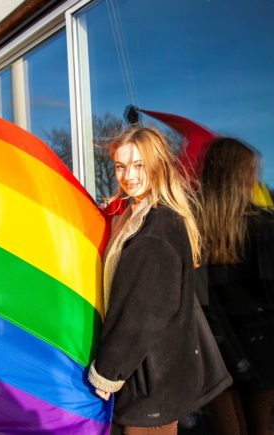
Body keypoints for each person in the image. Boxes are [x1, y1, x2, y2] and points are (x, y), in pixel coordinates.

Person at [87, 127, 231, 434]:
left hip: (150, 381)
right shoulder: (137, 215)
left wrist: (108, 372)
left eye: (138, 165)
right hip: (150, 375)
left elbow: (142, 312)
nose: (128, 176)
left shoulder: (156, 227)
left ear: (158, 166)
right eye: (120, 166)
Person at [197, 137, 274, 435]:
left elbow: (197, 297)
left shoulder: (193, 227)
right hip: (262, 347)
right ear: (241, 176)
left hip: (214, 349)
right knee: (261, 426)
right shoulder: (264, 225)